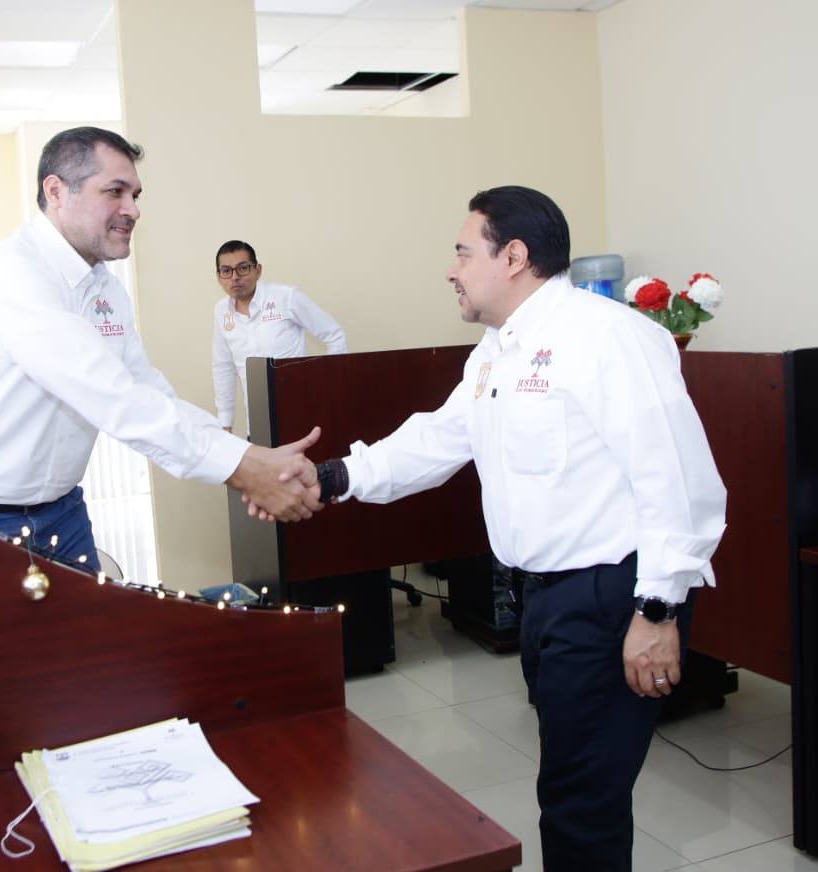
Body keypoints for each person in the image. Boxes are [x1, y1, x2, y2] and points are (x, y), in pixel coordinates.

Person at [305, 186, 726, 871]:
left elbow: (677, 481)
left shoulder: (609, 337)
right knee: (569, 779)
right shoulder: (497, 350)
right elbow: (439, 439)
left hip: (611, 597)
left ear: (514, 257)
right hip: (543, 596)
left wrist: (658, 612)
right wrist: (329, 478)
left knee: (580, 799)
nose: (451, 270)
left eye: (463, 253)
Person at [0, 127, 320, 571]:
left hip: (60, 512)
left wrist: (249, 455)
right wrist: (243, 470)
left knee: (96, 621)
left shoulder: (107, 291)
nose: (133, 209)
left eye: (135, 195)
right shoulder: (11, 273)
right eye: (114, 191)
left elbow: (147, 392)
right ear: (56, 191)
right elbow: (111, 395)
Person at [211, 240, 347, 431]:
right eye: (226, 270)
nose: (235, 277)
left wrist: (327, 388)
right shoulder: (221, 311)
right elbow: (223, 367)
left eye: (242, 268)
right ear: (219, 276)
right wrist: (225, 421)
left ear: (257, 270)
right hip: (258, 422)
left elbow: (334, 335)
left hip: (303, 413)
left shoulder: (286, 297)